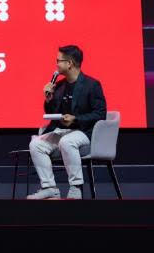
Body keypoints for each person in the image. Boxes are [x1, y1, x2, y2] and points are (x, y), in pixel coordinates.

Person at [27, 45, 107, 200]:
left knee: (67, 141)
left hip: (84, 133)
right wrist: (48, 100)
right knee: (36, 144)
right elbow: (52, 113)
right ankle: (49, 188)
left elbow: (100, 114)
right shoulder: (59, 86)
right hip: (62, 131)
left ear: (69, 63)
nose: (56, 64)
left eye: (59, 61)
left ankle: (76, 187)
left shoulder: (92, 85)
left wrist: (75, 119)